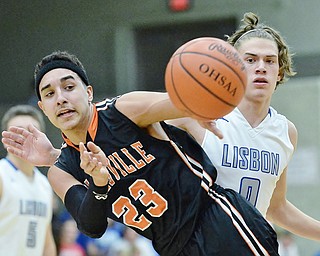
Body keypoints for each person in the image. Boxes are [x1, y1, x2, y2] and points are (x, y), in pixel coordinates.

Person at [2, 50, 280, 255]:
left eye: (69, 87)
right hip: (171, 248)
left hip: (215, 221)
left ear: (88, 92)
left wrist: (201, 107)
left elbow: (180, 104)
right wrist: (99, 183)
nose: (61, 98)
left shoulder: (123, 110)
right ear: (43, 107)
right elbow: (92, 226)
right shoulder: (61, 170)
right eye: (49, 94)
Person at [167, 12, 320, 242]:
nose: (261, 67)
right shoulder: (200, 114)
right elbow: (139, 122)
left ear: (279, 72)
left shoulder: (286, 132)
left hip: (252, 246)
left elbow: (275, 208)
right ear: (233, 67)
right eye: (250, 60)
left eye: (269, 61)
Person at [0, 105, 57, 256]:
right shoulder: (2, 175)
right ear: (5, 140)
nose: (25, 136)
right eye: (18, 131)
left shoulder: (45, 184)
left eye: (31, 131)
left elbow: (47, 241)